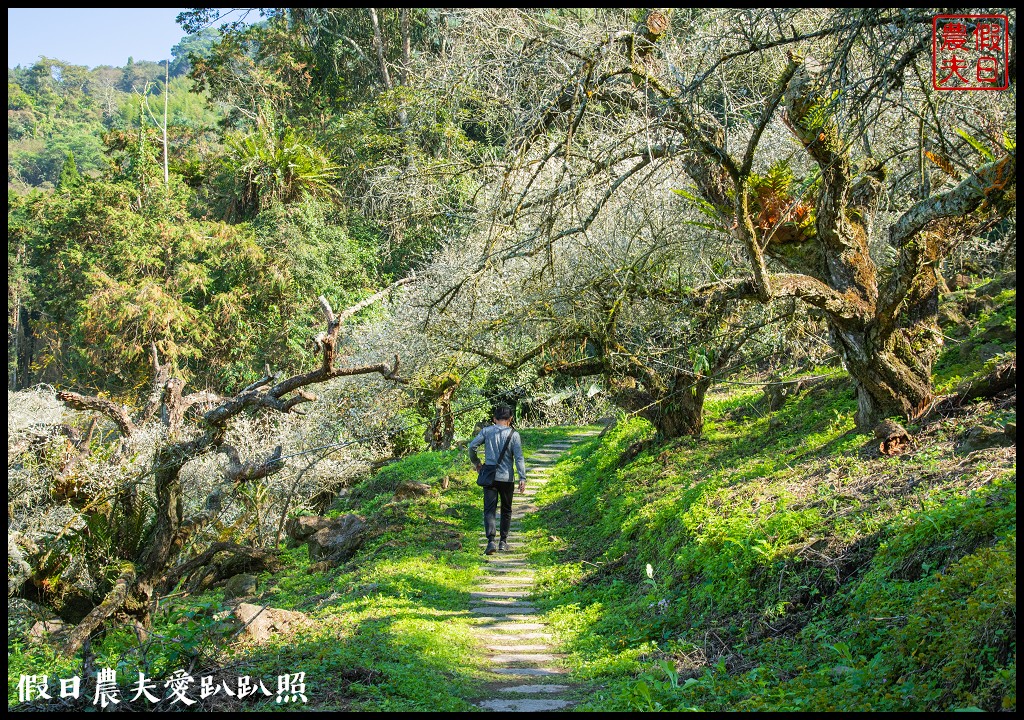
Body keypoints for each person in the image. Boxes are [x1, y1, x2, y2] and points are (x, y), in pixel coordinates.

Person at [468, 405, 527, 554]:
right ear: (510, 419)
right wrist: (522, 477)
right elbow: (519, 458)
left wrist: (477, 462)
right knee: (506, 510)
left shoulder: (486, 431)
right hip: (507, 478)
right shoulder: (514, 435)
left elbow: (472, 446)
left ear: (494, 419)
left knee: (489, 509)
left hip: (490, 477)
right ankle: (503, 542)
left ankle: (490, 542)